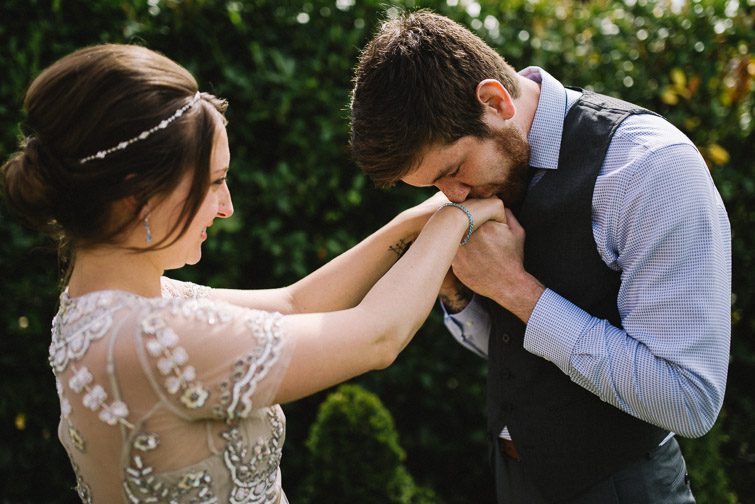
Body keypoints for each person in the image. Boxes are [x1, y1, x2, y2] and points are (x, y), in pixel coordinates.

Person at [1, 43, 506, 503]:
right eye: (215, 181)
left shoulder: (114, 308)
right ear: (141, 194)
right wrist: (461, 216)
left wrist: (417, 218)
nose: (227, 207)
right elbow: (377, 336)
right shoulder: (152, 339)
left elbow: (295, 304)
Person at [349, 10, 731, 504]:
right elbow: (521, 356)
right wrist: (460, 292)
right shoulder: (486, 173)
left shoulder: (649, 170)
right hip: (514, 483)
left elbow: (690, 398)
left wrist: (517, 290)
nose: (453, 195)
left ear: (494, 101)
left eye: (454, 170)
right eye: (435, 186)